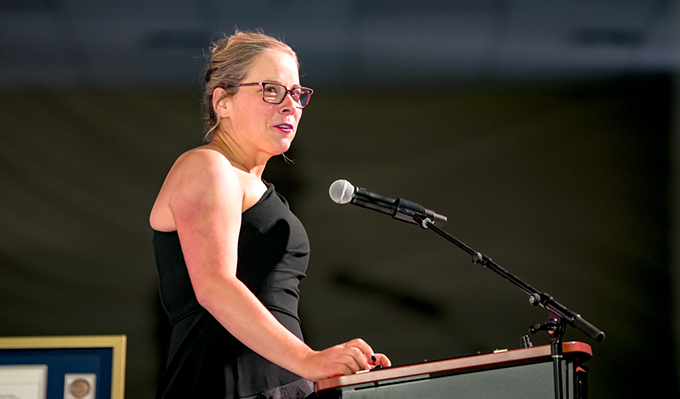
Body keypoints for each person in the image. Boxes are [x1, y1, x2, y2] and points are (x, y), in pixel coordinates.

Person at [149, 30, 391, 398]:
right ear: (222, 102)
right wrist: (309, 360)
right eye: (271, 90)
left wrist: (330, 370)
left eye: (296, 93)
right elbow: (214, 286)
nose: (290, 105)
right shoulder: (207, 167)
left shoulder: (258, 188)